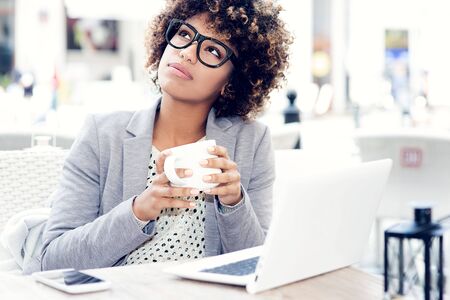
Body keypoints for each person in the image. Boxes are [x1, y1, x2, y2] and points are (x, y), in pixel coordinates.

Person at [39, 0, 292, 272]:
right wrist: (137, 211)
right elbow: (54, 260)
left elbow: (258, 268)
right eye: (184, 34)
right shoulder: (102, 134)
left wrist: (234, 203)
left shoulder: (251, 142)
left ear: (231, 83)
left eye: (213, 51)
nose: (187, 54)